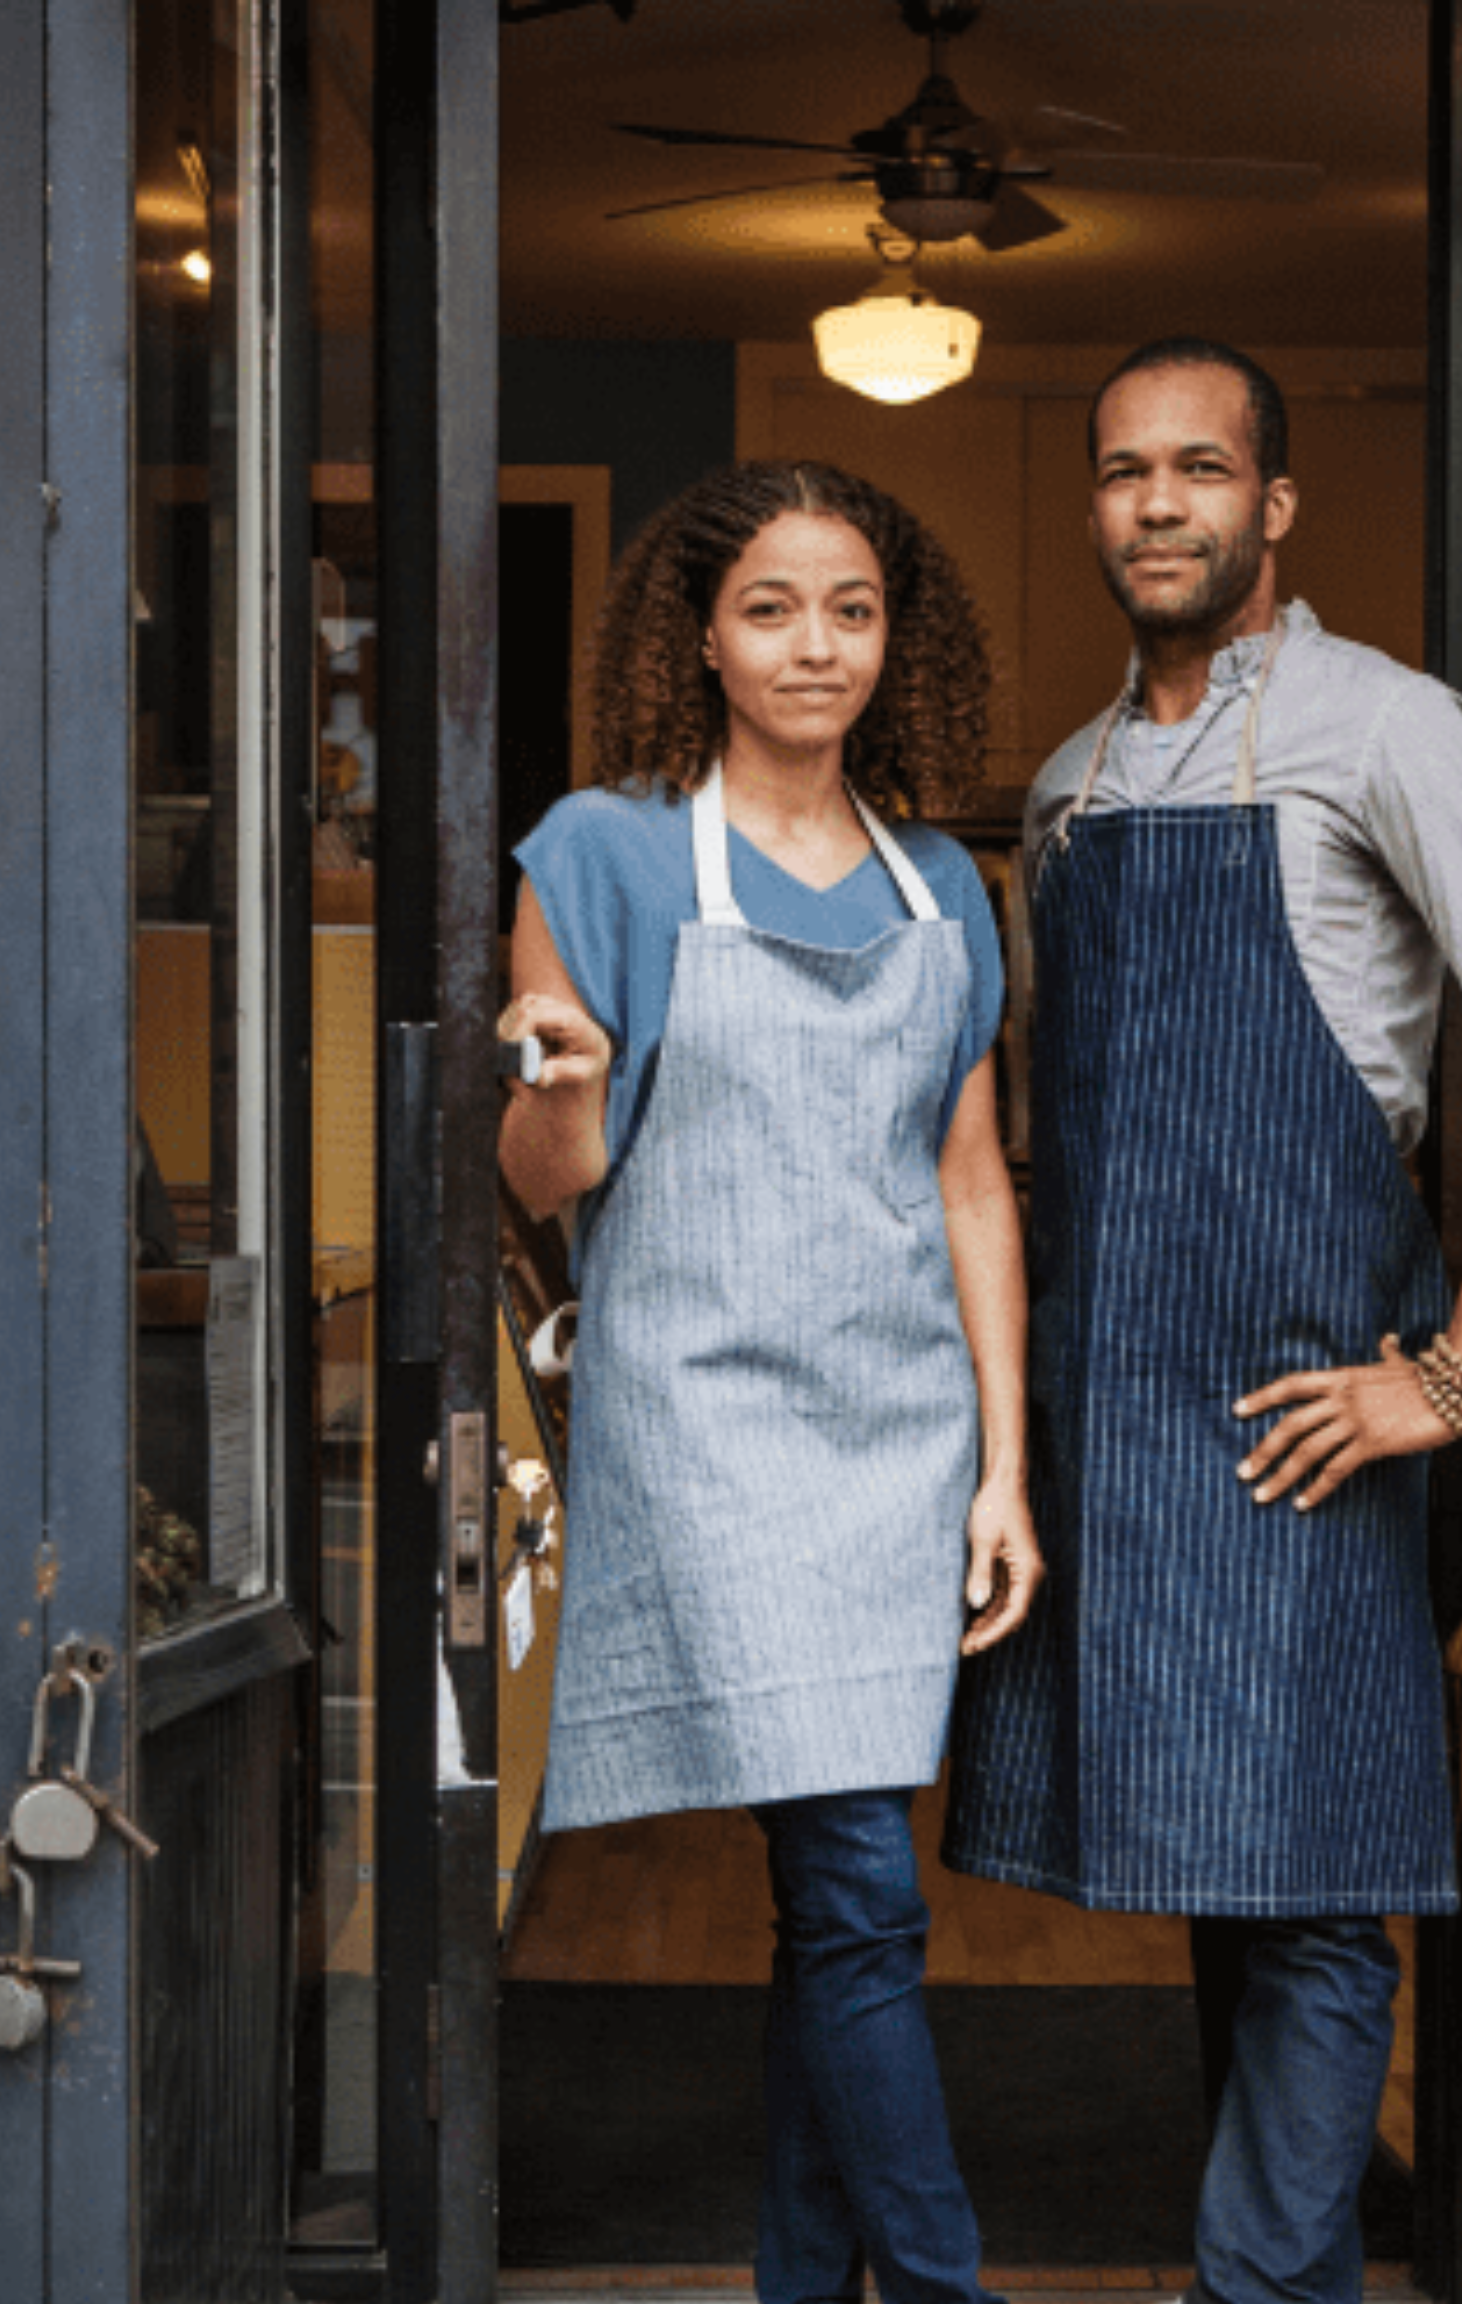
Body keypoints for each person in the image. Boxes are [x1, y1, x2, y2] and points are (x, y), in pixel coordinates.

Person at [942, 339, 1462, 2303]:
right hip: (1115, 1410)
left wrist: (1452, 1378)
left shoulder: (1382, 725)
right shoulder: (1067, 796)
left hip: (1308, 1409)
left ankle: (1255, 2290)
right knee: (1216, 1886)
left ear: (1276, 506)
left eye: (1199, 469)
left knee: (1318, 1898)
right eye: (1122, 473)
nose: (1158, 505)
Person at [496, 460, 1041, 2304]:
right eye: (772, 610)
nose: (815, 647)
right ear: (701, 636)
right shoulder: (606, 852)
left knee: (844, 1903)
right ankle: (943, 2283)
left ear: (899, 637)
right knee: (862, 1894)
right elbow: (546, 1182)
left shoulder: (943, 882)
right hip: (711, 1422)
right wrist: (559, 1093)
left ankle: (806, 2285)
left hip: (901, 1437)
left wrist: (1003, 1468)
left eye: (852, 609)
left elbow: (970, 1183)